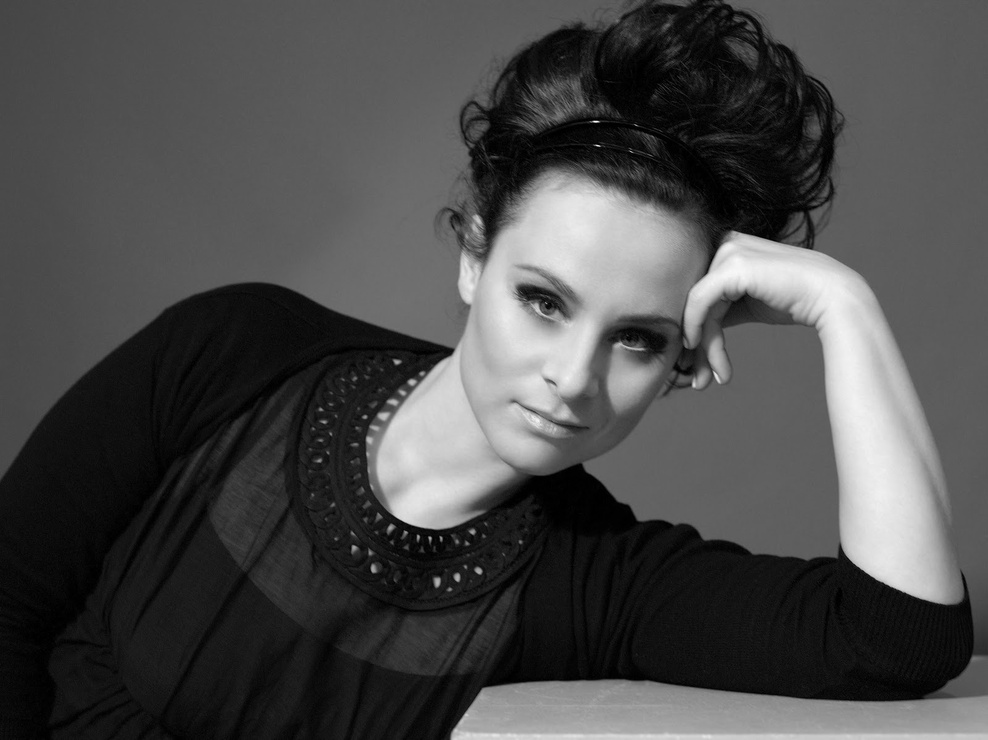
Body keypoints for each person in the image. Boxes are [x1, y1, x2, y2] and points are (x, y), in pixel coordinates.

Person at [0, 0, 974, 737]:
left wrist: (843, 307)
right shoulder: (233, 352)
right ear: (473, 255)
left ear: (683, 355)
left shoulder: (590, 581)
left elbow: (895, 638)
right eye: (543, 300)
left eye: (636, 338)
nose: (572, 377)